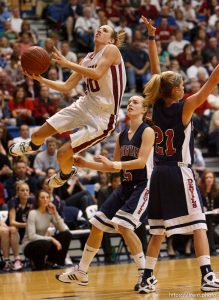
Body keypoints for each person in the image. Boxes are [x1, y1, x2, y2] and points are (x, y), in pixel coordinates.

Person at [138, 17, 219, 294]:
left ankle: (146, 276)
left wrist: (152, 38)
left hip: (158, 173)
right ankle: (208, 276)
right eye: (182, 85)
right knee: (199, 225)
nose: (185, 88)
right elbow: (211, 82)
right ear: (175, 91)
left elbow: (156, 71)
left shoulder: (157, 105)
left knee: (158, 230)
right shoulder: (184, 107)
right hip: (179, 171)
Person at [55, 95, 155, 291]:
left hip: (143, 185)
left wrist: (114, 163)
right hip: (125, 186)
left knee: (123, 226)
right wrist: (87, 164)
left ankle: (146, 275)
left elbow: (141, 162)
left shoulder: (148, 131)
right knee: (96, 224)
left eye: (136, 102)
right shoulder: (121, 135)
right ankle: (82, 271)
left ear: (144, 110)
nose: (131, 104)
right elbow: (113, 168)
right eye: (130, 102)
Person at [9, 24, 126, 189]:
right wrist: (40, 80)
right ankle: (33, 145)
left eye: (105, 30)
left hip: (103, 117)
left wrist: (67, 63)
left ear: (112, 39)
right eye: (99, 28)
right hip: (85, 105)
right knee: (37, 134)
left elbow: (98, 73)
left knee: (62, 154)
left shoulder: (111, 50)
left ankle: (65, 173)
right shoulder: (86, 59)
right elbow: (66, 87)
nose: (100, 30)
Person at [22, 190, 72, 270]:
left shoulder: (49, 213)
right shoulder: (33, 213)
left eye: (47, 197)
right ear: (38, 200)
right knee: (45, 244)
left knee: (66, 235)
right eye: (42, 197)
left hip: (44, 243)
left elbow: (63, 229)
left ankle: (53, 263)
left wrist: (55, 213)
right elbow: (31, 236)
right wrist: (51, 239)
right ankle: (37, 264)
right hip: (29, 246)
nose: (45, 199)